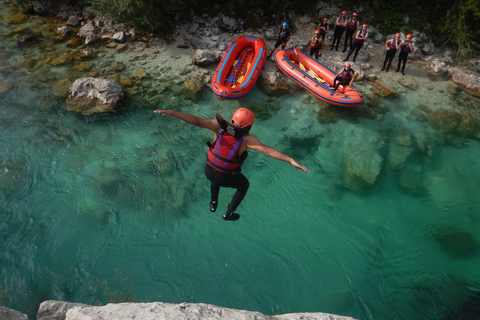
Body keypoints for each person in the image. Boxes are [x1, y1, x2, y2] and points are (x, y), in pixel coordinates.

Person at [153, 108, 310, 221]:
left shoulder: (218, 126)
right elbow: (267, 151)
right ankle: (228, 213)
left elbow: (197, 121)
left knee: (216, 178)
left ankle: (213, 203)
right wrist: (290, 159)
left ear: (233, 119)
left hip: (208, 171)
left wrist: (173, 113)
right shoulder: (247, 139)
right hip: (225, 177)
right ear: (249, 126)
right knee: (244, 185)